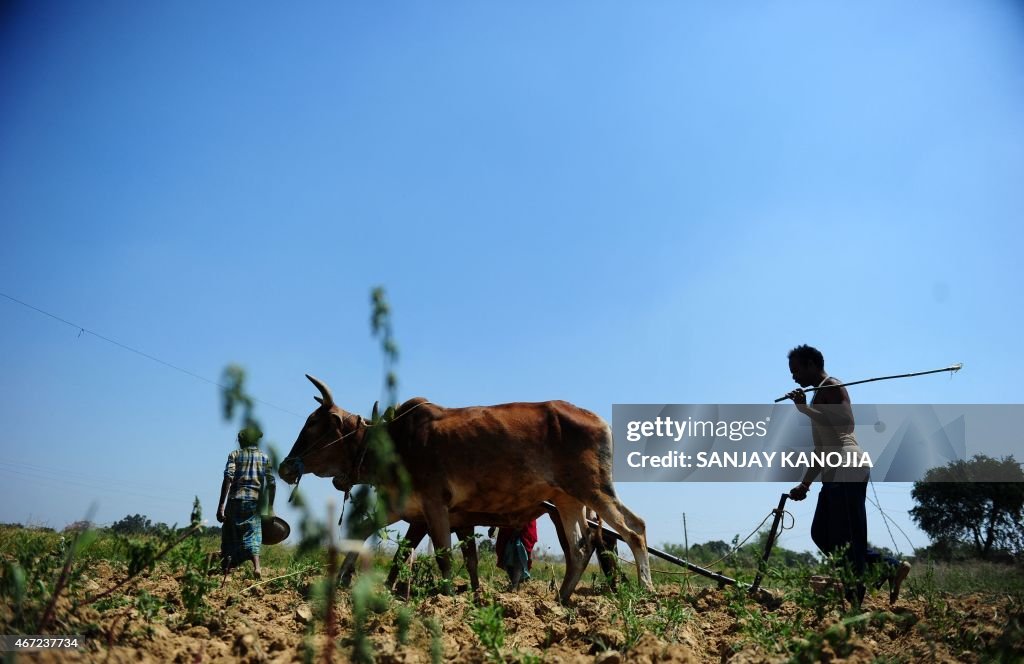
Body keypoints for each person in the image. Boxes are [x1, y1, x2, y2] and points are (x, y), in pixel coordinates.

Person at [784, 345, 910, 605]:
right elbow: (821, 449)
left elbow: (846, 421)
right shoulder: (819, 395)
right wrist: (805, 484)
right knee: (822, 534)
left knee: (846, 538)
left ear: (811, 365)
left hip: (848, 465)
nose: (794, 377)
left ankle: (854, 599)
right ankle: (888, 566)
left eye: (796, 370)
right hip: (833, 468)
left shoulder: (832, 385)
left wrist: (804, 409)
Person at [217, 427, 276, 578]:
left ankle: (228, 569)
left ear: (242, 440)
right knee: (254, 532)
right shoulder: (264, 458)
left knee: (230, 533)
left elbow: (228, 478)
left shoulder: (235, 455)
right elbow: (272, 483)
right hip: (254, 502)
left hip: (234, 500)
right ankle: (256, 566)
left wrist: (221, 506)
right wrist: (270, 507)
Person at [489, 520, 538, 590]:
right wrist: (493, 525)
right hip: (507, 523)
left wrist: (519, 528)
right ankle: (515, 584)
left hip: (525, 523)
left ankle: (514, 585)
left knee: (519, 553)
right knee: (505, 555)